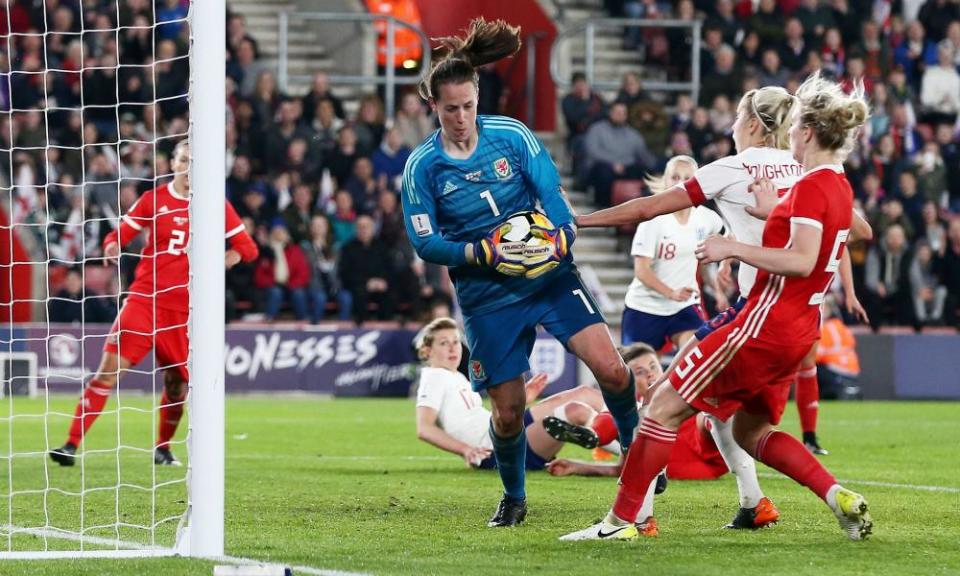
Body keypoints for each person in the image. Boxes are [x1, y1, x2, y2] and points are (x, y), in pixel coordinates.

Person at [562, 72, 873, 542]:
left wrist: (581, 221)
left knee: (661, 406)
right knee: (749, 430)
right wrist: (773, 216)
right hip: (801, 326)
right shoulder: (820, 178)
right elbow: (856, 231)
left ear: (749, 122)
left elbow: (649, 208)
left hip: (760, 318)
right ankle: (816, 497)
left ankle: (624, 522)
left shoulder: (735, 168)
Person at [402, 18, 641, 528]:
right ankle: (514, 496)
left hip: (549, 275)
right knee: (508, 412)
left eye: (468, 105)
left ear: (477, 96)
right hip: (488, 295)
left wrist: (561, 235)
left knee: (614, 369)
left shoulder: (512, 135)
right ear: (434, 107)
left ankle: (640, 465)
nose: (462, 117)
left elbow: (553, 196)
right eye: (451, 109)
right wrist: (484, 254)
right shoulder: (422, 168)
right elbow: (425, 242)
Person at [50, 140, 259, 467]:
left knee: (178, 385)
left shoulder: (215, 205)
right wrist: (111, 245)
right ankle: (70, 445)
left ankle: (162, 449)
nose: (190, 169)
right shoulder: (154, 199)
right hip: (144, 301)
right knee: (108, 372)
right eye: (185, 161)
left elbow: (247, 248)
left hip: (185, 311)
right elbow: (120, 233)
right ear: (173, 164)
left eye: (196, 162)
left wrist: (222, 259)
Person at [547, 343, 777, 537]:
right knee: (625, 415)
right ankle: (754, 503)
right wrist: (579, 466)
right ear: (627, 377)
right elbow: (622, 469)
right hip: (660, 456)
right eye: (638, 371)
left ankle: (640, 518)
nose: (649, 373)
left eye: (653, 366)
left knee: (705, 410)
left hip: (693, 452)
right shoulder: (634, 402)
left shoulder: (672, 396)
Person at [415, 318, 614, 471]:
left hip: (501, 429)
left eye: (456, 341)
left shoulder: (455, 376)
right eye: (443, 343)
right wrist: (465, 450)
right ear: (426, 351)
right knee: (575, 411)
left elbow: (472, 420)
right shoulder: (433, 376)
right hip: (495, 450)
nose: (452, 348)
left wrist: (522, 400)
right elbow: (424, 428)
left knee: (584, 393)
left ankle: (624, 431)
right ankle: (628, 446)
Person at [622, 156, 727, 350]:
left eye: (687, 178)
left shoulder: (706, 218)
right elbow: (641, 270)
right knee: (638, 370)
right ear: (665, 181)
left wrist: (719, 284)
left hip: (684, 305)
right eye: (675, 177)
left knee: (694, 354)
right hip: (645, 307)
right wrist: (671, 293)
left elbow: (726, 241)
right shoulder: (652, 220)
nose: (680, 183)